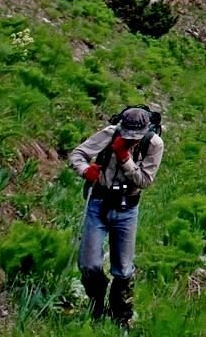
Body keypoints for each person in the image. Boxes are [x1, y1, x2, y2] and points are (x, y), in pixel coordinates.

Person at [69, 106, 164, 325]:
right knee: (89, 264)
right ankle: (96, 303)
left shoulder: (154, 144)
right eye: (127, 136)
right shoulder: (111, 132)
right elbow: (78, 154)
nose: (130, 140)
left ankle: (120, 316)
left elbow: (145, 181)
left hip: (127, 209)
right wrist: (85, 170)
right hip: (99, 204)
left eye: (135, 138)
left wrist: (124, 157)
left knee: (123, 269)